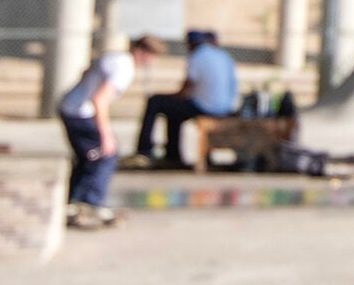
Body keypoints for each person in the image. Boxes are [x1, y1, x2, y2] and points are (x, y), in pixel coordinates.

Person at [60, 35, 162, 230]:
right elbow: (100, 100)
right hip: (81, 112)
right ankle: (91, 204)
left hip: (70, 107)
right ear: (142, 52)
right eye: (151, 57)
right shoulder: (124, 68)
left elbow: (85, 74)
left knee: (88, 158)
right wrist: (106, 135)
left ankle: (73, 203)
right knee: (107, 155)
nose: (151, 62)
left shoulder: (114, 58)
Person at [136, 29, 238, 167]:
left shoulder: (197, 56)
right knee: (174, 112)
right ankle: (172, 155)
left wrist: (169, 96)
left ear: (191, 45)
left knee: (155, 102)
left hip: (205, 106)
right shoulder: (224, 56)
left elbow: (185, 90)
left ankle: (145, 149)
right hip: (227, 106)